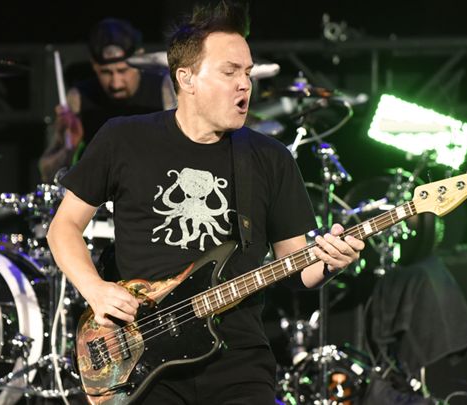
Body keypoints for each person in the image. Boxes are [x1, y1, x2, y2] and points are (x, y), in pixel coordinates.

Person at [46, 1, 365, 403]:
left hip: (238, 359)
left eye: (247, 72)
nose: (244, 84)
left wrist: (331, 262)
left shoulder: (269, 157)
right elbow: (63, 227)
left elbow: (298, 267)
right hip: (144, 358)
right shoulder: (124, 139)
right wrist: (95, 289)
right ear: (187, 78)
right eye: (230, 72)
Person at [38, 18, 176, 183]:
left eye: (122, 70)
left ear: (139, 58)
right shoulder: (78, 97)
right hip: (102, 190)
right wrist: (69, 147)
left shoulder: (164, 89)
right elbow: (47, 173)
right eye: (106, 72)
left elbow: (181, 151)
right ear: (94, 65)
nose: (116, 83)